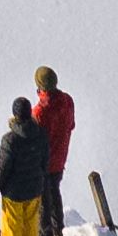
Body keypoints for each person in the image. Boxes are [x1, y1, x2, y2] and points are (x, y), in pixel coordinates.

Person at [0, 93, 53, 236]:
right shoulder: (41, 134)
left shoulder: (10, 140)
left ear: (15, 114)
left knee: (12, 228)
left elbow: (2, 168)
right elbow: (45, 162)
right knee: (31, 225)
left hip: (14, 193)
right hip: (34, 189)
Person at [31, 65, 77, 220]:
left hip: (43, 163)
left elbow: (33, 140)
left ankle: (46, 232)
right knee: (55, 191)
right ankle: (58, 228)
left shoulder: (39, 112)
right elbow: (71, 125)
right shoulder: (68, 101)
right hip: (60, 159)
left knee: (43, 199)